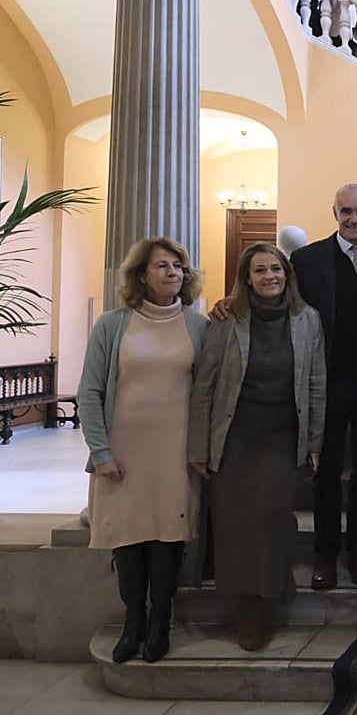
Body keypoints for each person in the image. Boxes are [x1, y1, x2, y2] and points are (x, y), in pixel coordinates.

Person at [187, 244, 325, 651]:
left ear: (287, 274)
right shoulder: (228, 321)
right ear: (247, 278)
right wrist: (198, 447)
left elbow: (317, 383)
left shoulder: (307, 319)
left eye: (276, 269)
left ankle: (269, 593)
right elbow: (204, 387)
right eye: (260, 270)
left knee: (271, 517)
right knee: (235, 527)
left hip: (282, 437)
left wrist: (315, 440)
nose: (270, 276)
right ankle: (249, 612)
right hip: (234, 439)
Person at [78, 237, 208, 664]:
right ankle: (133, 623)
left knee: (169, 536)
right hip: (123, 454)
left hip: (175, 453)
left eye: (178, 266)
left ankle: (160, 624)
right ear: (140, 276)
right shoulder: (112, 325)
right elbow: (90, 392)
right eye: (162, 266)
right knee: (129, 539)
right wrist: (101, 452)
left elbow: (208, 393)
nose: (173, 273)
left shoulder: (198, 326)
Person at [285, 185, 357, 590]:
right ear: (334, 212)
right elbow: (283, 305)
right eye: (347, 211)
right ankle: (325, 554)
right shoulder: (308, 260)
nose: (355, 219)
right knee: (327, 470)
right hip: (329, 382)